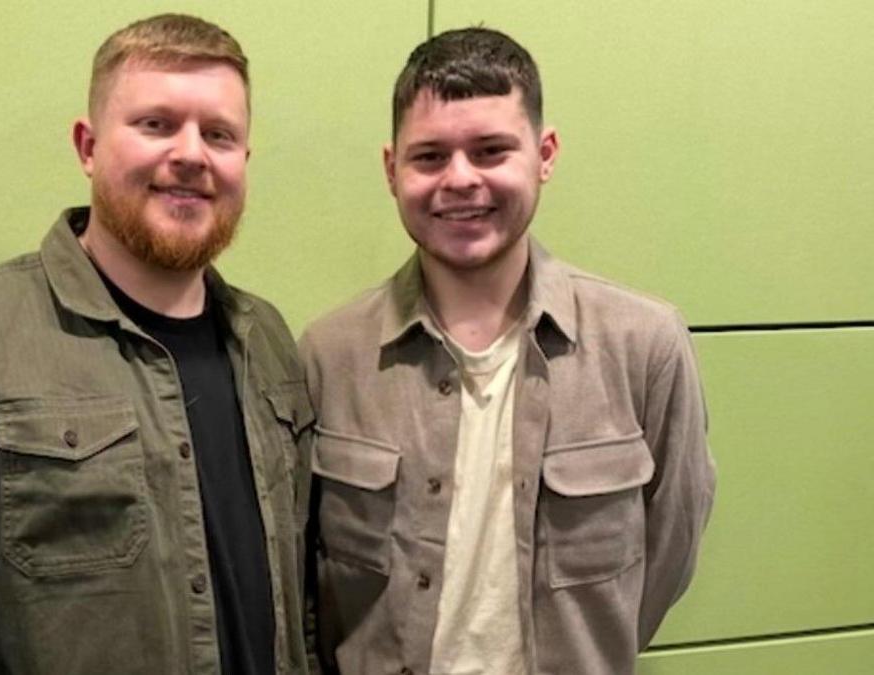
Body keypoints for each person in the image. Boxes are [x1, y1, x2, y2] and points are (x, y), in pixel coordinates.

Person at [0, 14, 314, 674]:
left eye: (219, 134)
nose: (192, 154)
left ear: (243, 162)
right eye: (157, 124)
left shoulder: (270, 344)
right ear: (88, 146)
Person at [300, 27, 715, 675]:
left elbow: (670, 549)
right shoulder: (328, 354)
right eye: (429, 156)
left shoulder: (645, 344)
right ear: (391, 169)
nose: (460, 179)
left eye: (491, 150)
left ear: (544, 153)